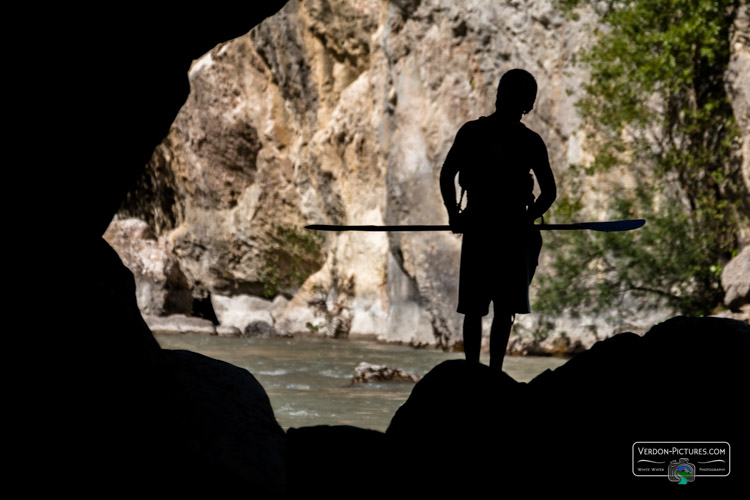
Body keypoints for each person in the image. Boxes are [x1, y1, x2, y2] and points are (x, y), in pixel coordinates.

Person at [440, 68, 556, 370]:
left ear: (499, 95)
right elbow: (549, 193)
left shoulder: (472, 132)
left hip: (480, 228)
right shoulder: (530, 141)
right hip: (512, 235)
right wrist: (527, 218)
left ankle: (473, 372)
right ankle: (493, 373)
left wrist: (455, 213)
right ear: (528, 103)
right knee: (503, 310)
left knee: (475, 309)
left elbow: (447, 175)